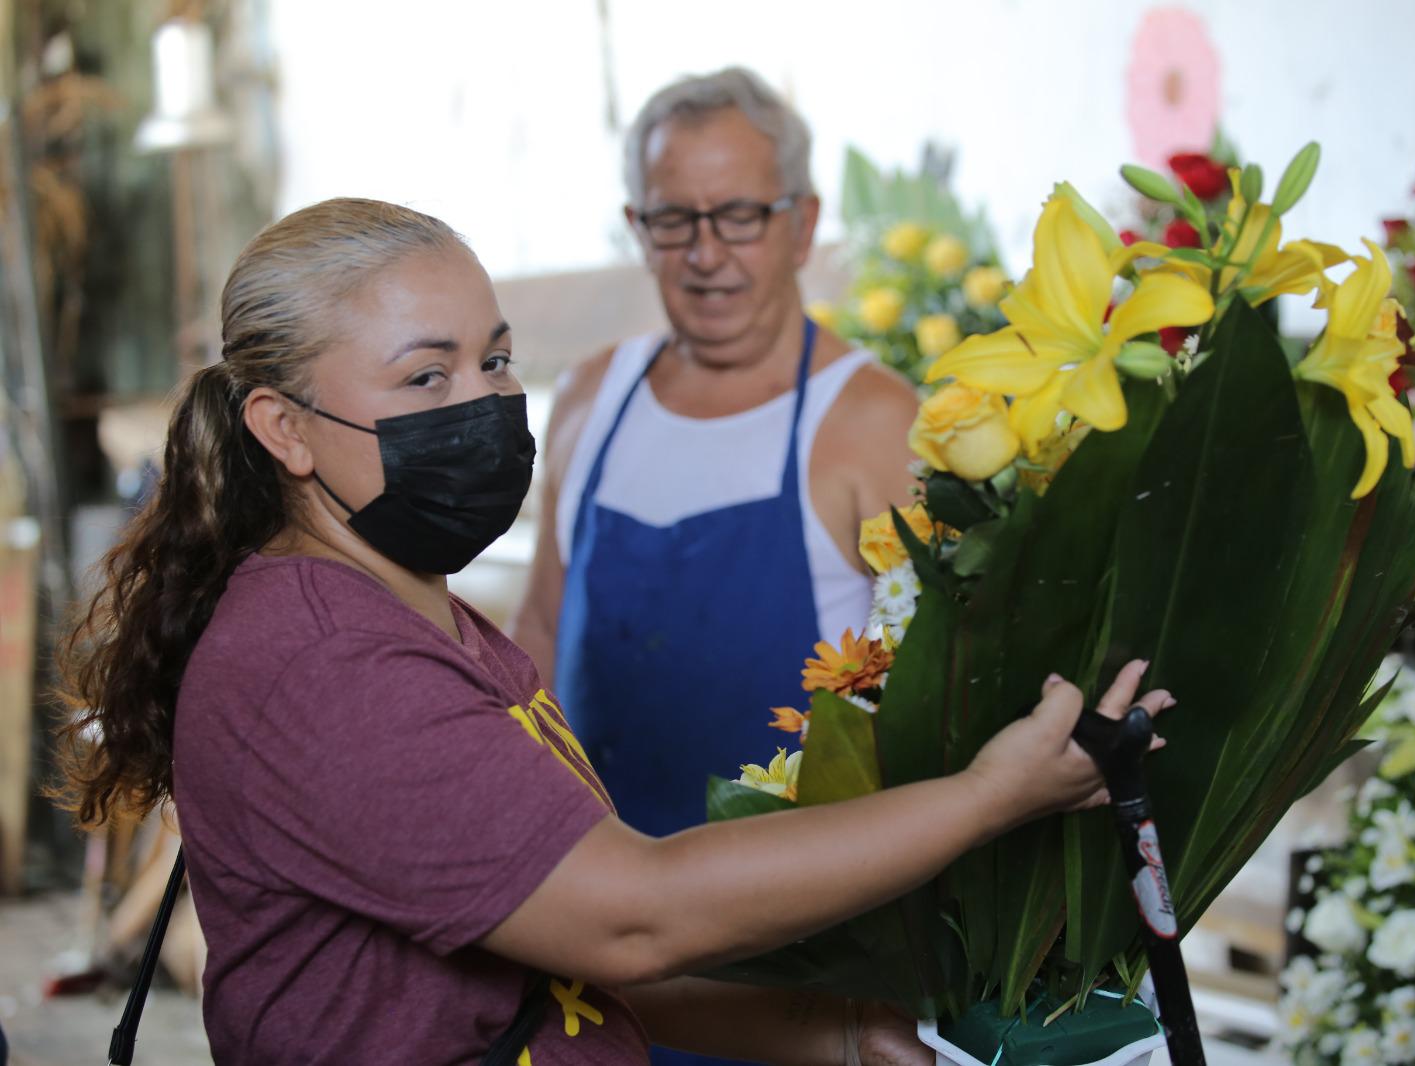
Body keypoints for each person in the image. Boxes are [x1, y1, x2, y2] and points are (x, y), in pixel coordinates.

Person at [54, 198, 1171, 1065]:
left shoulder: (426, 614)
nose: (483, 405)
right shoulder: (321, 661)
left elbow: (545, 946)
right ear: (283, 428)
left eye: (493, 360)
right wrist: (991, 795)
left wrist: (824, 1033)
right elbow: (629, 920)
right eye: (424, 375)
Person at [511, 68, 921, 839]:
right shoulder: (589, 398)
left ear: (801, 225)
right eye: (674, 219)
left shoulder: (875, 421)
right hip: (601, 902)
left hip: (799, 924)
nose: (706, 254)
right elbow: (538, 627)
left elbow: (938, 699)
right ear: (639, 228)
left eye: (739, 216)